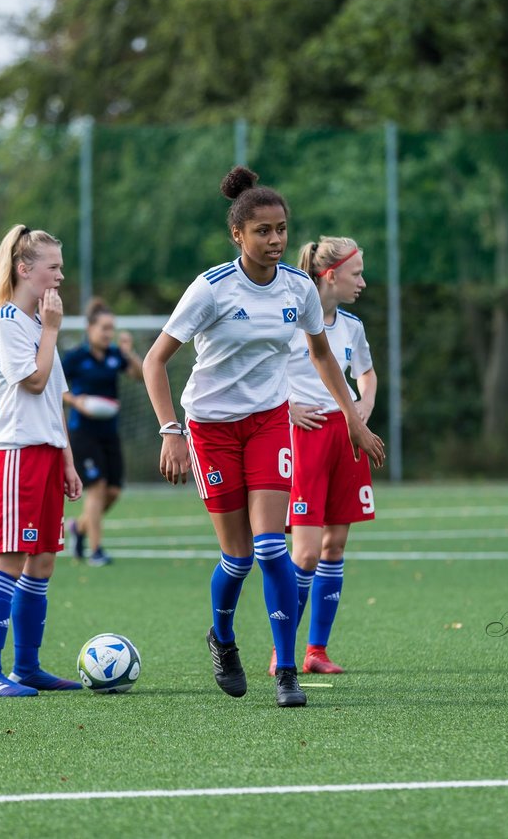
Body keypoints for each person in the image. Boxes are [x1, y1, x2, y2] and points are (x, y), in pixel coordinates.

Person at [142, 166, 385, 708]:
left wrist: (353, 418)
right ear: (238, 236)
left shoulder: (298, 288)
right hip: (210, 429)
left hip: (270, 423)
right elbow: (154, 362)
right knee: (238, 558)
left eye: (281, 229)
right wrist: (171, 432)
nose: (275, 239)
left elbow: (322, 357)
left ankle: (287, 670)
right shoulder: (211, 289)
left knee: (273, 547)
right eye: (263, 231)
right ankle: (223, 639)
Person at [0, 224, 84, 697]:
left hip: (46, 454)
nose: (60, 276)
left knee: (41, 565)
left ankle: (27, 666)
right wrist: (53, 330)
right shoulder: (6, 320)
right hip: (14, 455)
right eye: (53, 267)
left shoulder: (36, 324)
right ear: (24, 268)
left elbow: (55, 399)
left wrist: (68, 460)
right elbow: (33, 383)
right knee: (8, 562)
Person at [268, 236, 377, 678]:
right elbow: (262, 370)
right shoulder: (291, 321)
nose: (363, 283)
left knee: (335, 546)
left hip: (345, 437)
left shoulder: (351, 325)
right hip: (303, 437)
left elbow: (366, 375)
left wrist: (361, 411)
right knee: (306, 553)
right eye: (357, 274)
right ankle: (285, 651)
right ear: (329, 275)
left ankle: (316, 650)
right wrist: (287, 407)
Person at [61, 298, 145, 566]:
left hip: (110, 432)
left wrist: (129, 353)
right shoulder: (75, 358)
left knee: (113, 492)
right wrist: (77, 402)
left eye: (112, 328)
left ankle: (79, 528)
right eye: (104, 328)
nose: (108, 333)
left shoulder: (114, 355)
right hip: (82, 433)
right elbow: (55, 388)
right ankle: (95, 551)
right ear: (90, 328)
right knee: (96, 489)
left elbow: (142, 376)